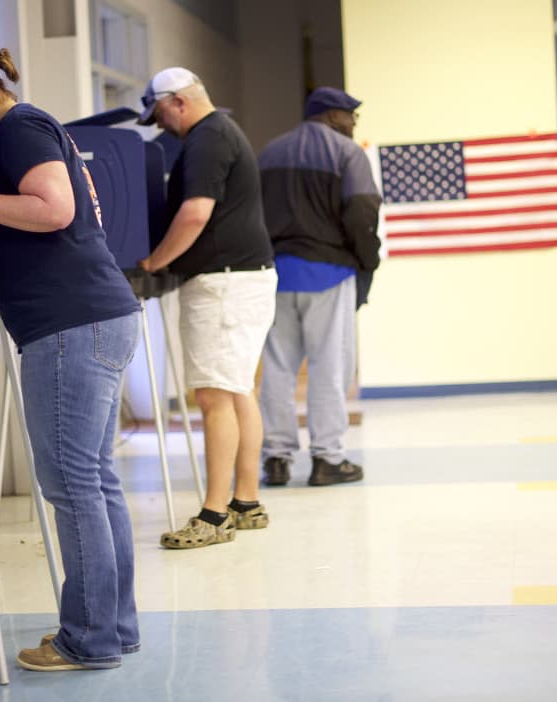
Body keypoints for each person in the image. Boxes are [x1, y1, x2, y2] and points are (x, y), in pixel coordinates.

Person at [0, 49, 143, 671]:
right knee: (95, 482)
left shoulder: (19, 128)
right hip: (98, 317)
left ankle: (89, 639)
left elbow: (53, 210)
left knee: (73, 486)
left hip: (70, 327)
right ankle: (114, 629)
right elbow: (23, 222)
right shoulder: (31, 132)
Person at [135, 67, 277, 549]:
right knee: (237, 392)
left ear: (177, 102)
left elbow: (195, 213)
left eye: (160, 114)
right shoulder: (224, 131)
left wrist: (154, 261)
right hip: (245, 280)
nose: (162, 126)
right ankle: (245, 502)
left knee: (215, 397)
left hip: (223, 286)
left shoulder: (206, 138)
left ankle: (214, 515)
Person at [256, 87, 382, 487]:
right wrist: (368, 258)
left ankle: (276, 458)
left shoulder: (269, 153)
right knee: (330, 366)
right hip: (328, 274)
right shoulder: (348, 154)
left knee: (277, 367)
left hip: (276, 274)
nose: (353, 124)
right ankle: (328, 458)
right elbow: (363, 211)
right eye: (350, 116)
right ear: (331, 116)